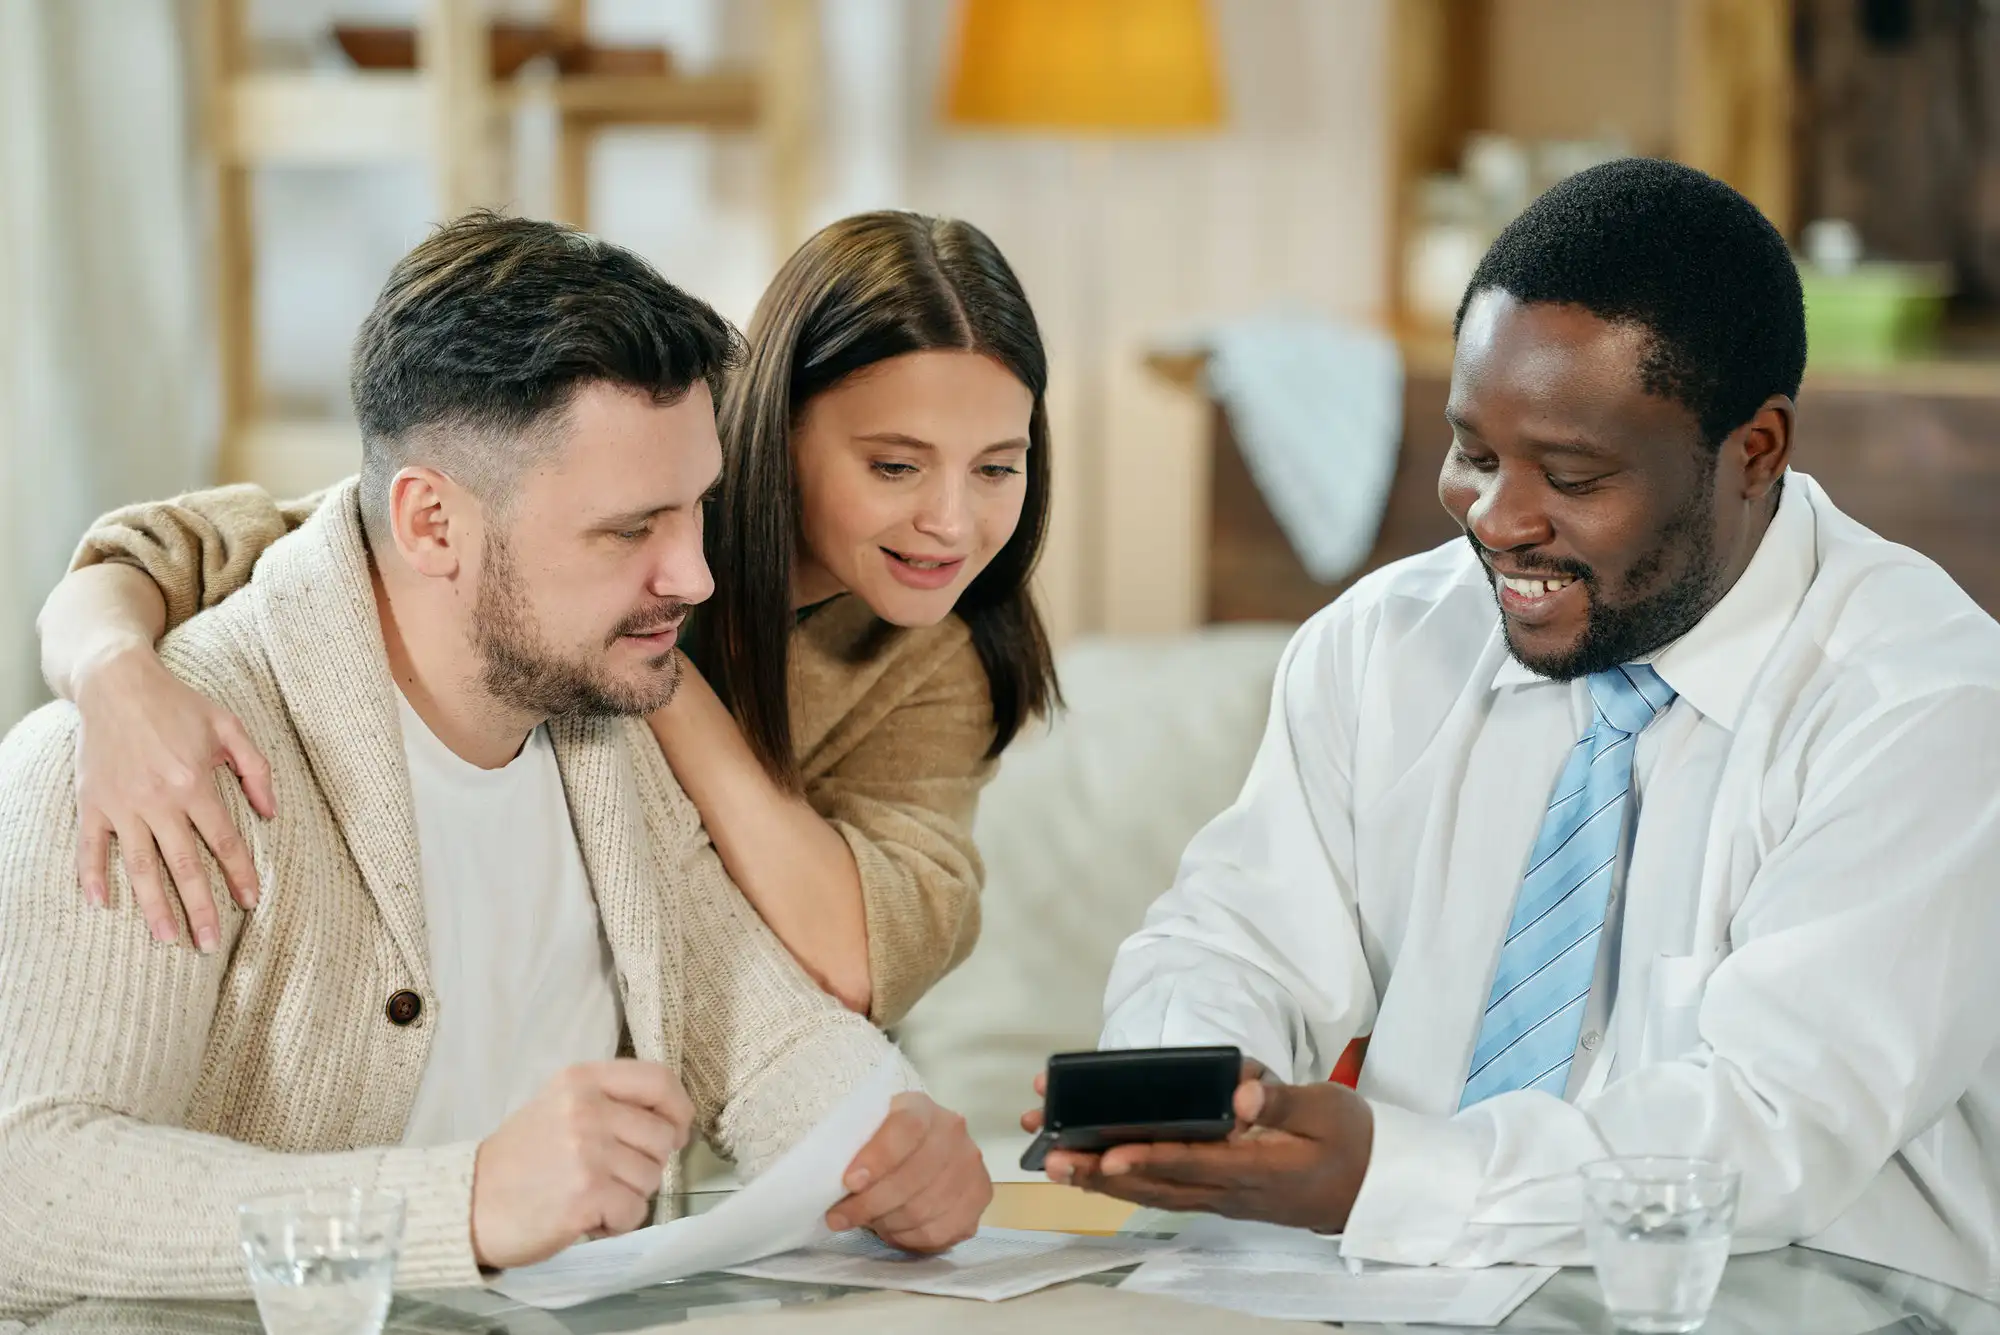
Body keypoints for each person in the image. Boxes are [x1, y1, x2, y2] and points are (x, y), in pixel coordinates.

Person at [1029, 159, 2000, 1297]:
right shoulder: (1384, 643)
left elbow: (1774, 1120)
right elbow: (1234, 938)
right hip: (1394, 1289)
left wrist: (1388, 1175)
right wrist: (1188, 1096)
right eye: (1473, 453)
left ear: (1755, 451)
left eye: (1572, 474)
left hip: (1815, 1301)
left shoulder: (1924, 707)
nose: (1494, 519)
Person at [0, 214, 988, 1315]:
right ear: (431, 524)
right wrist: (459, 1203)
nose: (694, 576)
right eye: (628, 531)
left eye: (697, 509)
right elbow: (30, 1188)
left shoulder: (601, 724)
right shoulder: (149, 769)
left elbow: (754, 1022)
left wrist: (885, 1133)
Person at [36, 211, 1058, 1028]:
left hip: (686, 1127)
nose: (950, 523)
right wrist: (112, 674)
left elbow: (856, 960)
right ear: (774, 425)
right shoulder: (587, 504)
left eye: (996, 469)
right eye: (892, 464)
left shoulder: (938, 663)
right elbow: (175, 553)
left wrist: (655, 674)